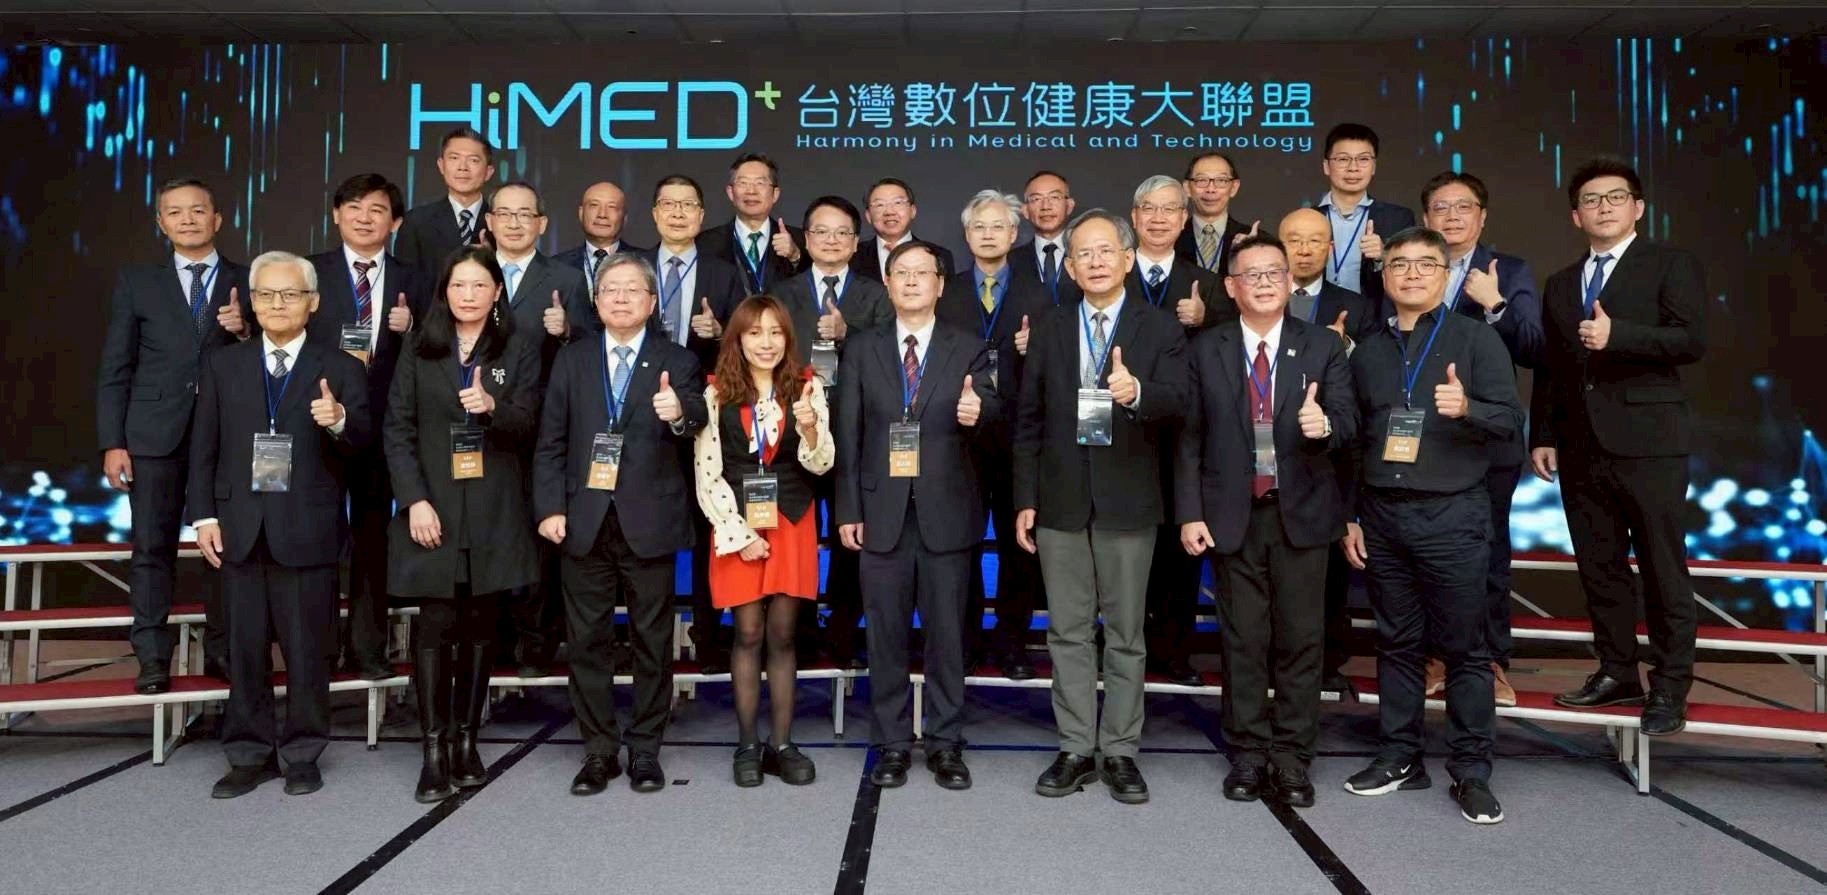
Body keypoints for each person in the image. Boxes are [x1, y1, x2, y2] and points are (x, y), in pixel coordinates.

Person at [1339, 227, 1521, 826]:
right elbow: (1355, 440)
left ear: (1446, 275)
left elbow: (1510, 422)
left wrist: (1468, 408)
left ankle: (1472, 772)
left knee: (1465, 650)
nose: (1411, 274)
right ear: (1384, 275)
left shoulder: (1476, 339)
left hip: (1453, 514)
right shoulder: (1368, 350)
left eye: (1425, 264)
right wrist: (1351, 515)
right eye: (1399, 264)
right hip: (1383, 514)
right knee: (1397, 643)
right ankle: (1400, 757)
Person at [1014, 210, 1189, 805]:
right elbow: (1028, 420)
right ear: (1069, 266)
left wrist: (1138, 392)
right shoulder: (1050, 326)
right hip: (1060, 502)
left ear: (1127, 258)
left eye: (1105, 251)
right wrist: (1025, 499)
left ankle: (1119, 750)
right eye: (1082, 254)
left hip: (1128, 503)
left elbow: (1182, 402)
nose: (1094, 261)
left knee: (1125, 635)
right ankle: (1074, 747)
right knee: (1065, 632)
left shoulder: (1159, 327)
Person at [1176, 234, 1355, 809]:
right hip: (1233, 517)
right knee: (1243, 640)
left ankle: (1293, 755)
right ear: (1231, 287)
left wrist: (1325, 426)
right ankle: (1249, 752)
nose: (1263, 283)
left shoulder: (1322, 345)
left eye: (1273, 273)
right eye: (1250, 274)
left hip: (1300, 514)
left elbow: (1350, 423)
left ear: (1289, 282)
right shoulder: (1207, 347)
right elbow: (1189, 438)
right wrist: (1189, 512)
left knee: (1301, 640)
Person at [1531, 158, 1706, 736]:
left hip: (1649, 443)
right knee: (1599, 567)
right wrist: (1543, 434)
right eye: (1591, 199)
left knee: (1661, 566)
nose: (1603, 207)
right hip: (1580, 447)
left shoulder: (1670, 264)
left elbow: (1691, 339)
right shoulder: (1561, 282)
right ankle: (1617, 672)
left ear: (1638, 207)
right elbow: (1552, 367)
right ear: (1575, 215)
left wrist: (1619, 335)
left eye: (1615, 197)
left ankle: (1671, 686)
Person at [188, 250, 372, 798]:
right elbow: (203, 447)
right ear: (252, 301)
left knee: (307, 651)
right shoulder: (223, 364)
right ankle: (248, 754)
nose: (277, 304)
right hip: (238, 527)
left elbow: (365, 448)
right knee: (243, 650)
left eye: (290, 294)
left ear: (312, 303)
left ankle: (302, 752)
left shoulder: (342, 367)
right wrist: (203, 516)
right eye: (266, 294)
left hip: (307, 528)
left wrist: (339, 421)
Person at [535, 252, 709, 795]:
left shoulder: (677, 359)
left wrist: (679, 413)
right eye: (611, 289)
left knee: (652, 641)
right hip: (583, 519)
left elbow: (698, 417)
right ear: (596, 300)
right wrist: (550, 508)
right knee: (586, 640)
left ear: (652, 302)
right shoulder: (572, 359)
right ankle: (599, 750)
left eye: (633, 290)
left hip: (649, 521)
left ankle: (646, 749)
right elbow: (551, 441)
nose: (621, 298)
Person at [836, 240, 999, 791]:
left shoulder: (969, 347)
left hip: (946, 513)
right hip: (879, 513)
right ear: (887, 284)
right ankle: (891, 743)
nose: (910, 281)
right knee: (884, 637)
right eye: (900, 273)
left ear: (940, 284)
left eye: (921, 273)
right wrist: (849, 507)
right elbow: (849, 432)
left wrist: (981, 412)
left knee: (947, 637)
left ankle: (946, 743)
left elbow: (996, 414)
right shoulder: (862, 348)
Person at [383, 246, 542, 803]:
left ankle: (467, 741)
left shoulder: (518, 348)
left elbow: (530, 426)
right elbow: (397, 430)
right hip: (434, 508)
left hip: (495, 507)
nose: (468, 295)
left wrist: (494, 408)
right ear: (444, 292)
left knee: (480, 626)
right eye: (458, 285)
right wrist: (414, 501)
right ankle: (433, 749)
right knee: (436, 624)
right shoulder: (418, 347)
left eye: (479, 285)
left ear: (497, 292)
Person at [97, 177, 251, 693]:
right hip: (152, 436)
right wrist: (113, 442)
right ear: (161, 223)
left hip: (225, 435)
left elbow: (268, 354)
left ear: (218, 219)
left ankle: (222, 653)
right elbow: (116, 366)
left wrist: (244, 330)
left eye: (198, 210)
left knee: (225, 549)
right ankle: (152, 658)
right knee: (151, 548)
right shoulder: (138, 281)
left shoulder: (248, 279)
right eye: (175, 212)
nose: (188, 219)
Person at [692, 294, 833, 786]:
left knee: (783, 634)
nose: (766, 342)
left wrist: (811, 430)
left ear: (787, 338)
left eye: (775, 332)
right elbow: (707, 472)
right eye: (755, 333)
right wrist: (738, 533)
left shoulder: (808, 386)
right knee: (748, 633)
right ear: (738, 339)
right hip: (736, 523)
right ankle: (748, 744)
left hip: (792, 519)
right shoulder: (715, 393)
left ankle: (783, 743)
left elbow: (822, 463)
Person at [1419, 171, 1544, 707]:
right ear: (1426, 217)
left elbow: (1534, 348)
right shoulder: (1411, 265)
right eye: (1441, 208)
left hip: (1487, 439)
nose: (1451, 216)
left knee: (1486, 555)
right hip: (1423, 439)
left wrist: (1496, 305)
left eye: (1463, 207)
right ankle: (1435, 656)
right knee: (1423, 555)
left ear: (1482, 216)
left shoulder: (1508, 271)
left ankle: (1488, 661)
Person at [307, 173, 429, 681]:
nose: (364, 218)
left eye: (377, 210)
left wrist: (413, 328)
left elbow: (438, 349)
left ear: (394, 223)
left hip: (385, 428)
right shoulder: (309, 272)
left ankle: (367, 648)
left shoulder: (415, 279)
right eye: (354, 207)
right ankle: (316, 648)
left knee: (374, 539)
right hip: (319, 421)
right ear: (336, 214)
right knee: (315, 537)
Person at [769, 195, 892, 667]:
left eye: (843, 233)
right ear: (806, 239)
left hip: (856, 434)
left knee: (850, 538)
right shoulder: (783, 294)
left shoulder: (877, 295)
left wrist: (848, 334)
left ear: (856, 242)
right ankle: (797, 635)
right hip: (796, 433)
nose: (832, 240)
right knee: (797, 534)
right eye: (821, 231)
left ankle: (843, 635)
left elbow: (889, 359)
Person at [939, 191, 1052, 680]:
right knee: (960, 543)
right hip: (958, 435)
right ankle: (963, 642)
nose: (988, 234)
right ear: (967, 236)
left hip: (1018, 437)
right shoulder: (947, 292)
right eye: (979, 227)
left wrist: (1036, 348)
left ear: (1014, 234)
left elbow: (1058, 368)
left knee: (1018, 545)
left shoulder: (1040, 293)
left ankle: (1012, 645)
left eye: (998, 226)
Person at [642, 173, 749, 674]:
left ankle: (708, 637)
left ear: (703, 216)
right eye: (669, 204)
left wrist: (721, 331)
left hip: (706, 418)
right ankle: (648, 642)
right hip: (642, 416)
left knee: (711, 524)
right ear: (654, 214)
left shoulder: (724, 274)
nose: (678, 213)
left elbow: (749, 343)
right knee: (646, 528)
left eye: (688, 205)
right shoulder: (634, 267)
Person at [485, 179, 592, 677]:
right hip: (479, 422)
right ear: (489, 222)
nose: (514, 223)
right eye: (504, 214)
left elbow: (591, 344)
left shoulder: (566, 278)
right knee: (490, 529)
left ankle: (536, 643)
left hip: (543, 424)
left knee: (540, 534)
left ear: (542, 224)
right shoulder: (470, 271)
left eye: (524, 214)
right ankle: (492, 641)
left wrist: (567, 330)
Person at [1127, 174, 1223, 687]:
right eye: (1149, 208)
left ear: (1185, 219)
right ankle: (1124, 647)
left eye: (1169, 209)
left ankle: (1176, 650)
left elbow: (1226, 351)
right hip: (1123, 432)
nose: (1159, 218)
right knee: (1125, 547)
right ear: (1134, 217)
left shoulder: (1207, 282)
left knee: (1181, 546)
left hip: (1184, 434)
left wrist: (1206, 319)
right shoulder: (1112, 272)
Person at [1279, 206, 1376, 691]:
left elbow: (1373, 379)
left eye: (1315, 240)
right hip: (1270, 453)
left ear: (1331, 247)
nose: (1304, 249)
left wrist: (1342, 348)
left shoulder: (1356, 306)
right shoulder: (1259, 295)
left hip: (1333, 454)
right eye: (1293, 240)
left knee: (1329, 569)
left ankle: (1326, 666)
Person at [1317, 123, 1416, 321]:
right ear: (1326, 166)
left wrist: (1384, 256)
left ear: (1374, 166)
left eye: (1363, 159)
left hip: (1376, 324)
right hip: (1317, 322)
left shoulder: (1398, 219)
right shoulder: (1307, 218)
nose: (1353, 168)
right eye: (1343, 159)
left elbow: (1412, 276)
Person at [696, 152, 808, 294]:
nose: (751, 191)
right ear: (730, 192)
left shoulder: (800, 240)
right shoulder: (706, 243)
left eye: (760, 183)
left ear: (775, 194)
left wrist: (795, 256)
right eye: (743, 183)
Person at [395, 126, 494, 275]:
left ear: (488, 172)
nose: (463, 167)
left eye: (473, 160)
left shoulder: (501, 222)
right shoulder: (416, 222)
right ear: (441, 165)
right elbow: (405, 279)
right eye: (454, 158)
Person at [853, 177, 955, 284]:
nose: (889, 211)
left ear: (913, 211)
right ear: (868, 216)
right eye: (880, 205)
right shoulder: (852, 256)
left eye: (898, 203)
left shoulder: (939, 255)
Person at [555, 181, 649, 287]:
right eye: (594, 205)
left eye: (612, 207)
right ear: (581, 213)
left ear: (624, 217)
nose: (602, 214)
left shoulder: (646, 262)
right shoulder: (557, 265)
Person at [1176, 153, 1254, 277]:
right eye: (1201, 180)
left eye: (1221, 180)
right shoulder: (1170, 238)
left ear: (1234, 187)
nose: (1211, 189)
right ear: (1187, 188)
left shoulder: (1255, 241)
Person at [1012, 170, 1083, 307]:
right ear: (1025, 211)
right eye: (1036, 199)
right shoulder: (1010, 261)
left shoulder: (1086, 255)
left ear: (1069, 206)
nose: (1046, 206)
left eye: (1055, 197)